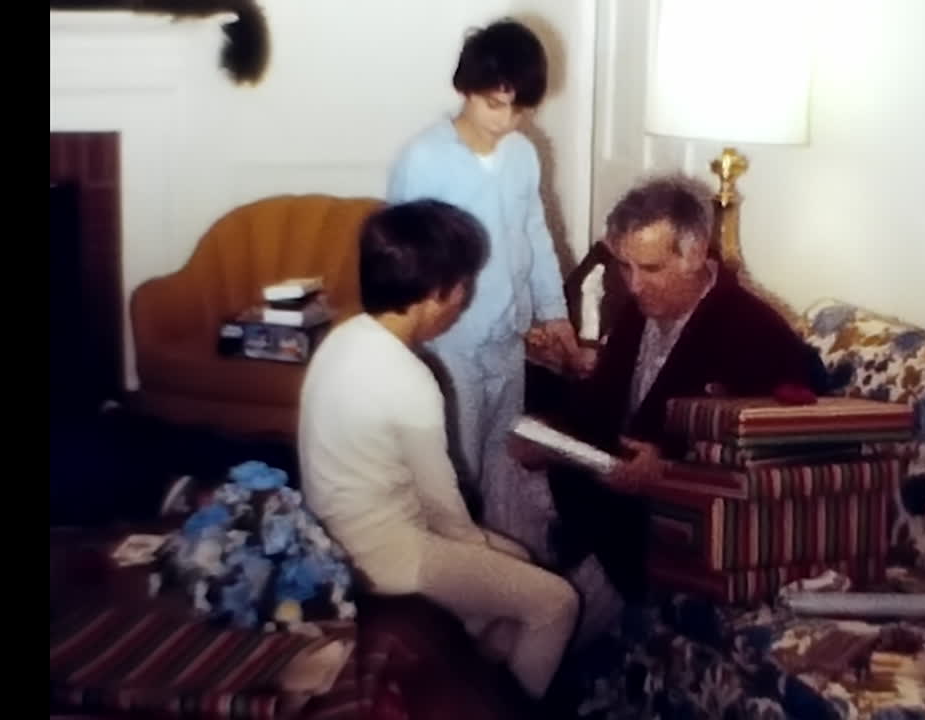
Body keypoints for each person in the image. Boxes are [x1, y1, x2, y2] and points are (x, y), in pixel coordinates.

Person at [514, 174, 828, 642]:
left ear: (698, 251)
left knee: (540, 618)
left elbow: (783, 452)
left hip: (672, 515)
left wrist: (672, 472)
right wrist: (553, 434)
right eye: (625, 267)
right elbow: (604, 400)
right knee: (511, 471)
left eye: (651, 268)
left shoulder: (753, 331)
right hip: (609, 486)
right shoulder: (644, 307)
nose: (635, 286)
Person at [297, 199, 579, 701]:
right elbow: (443, 507)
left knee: (514, 561)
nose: (462, 301)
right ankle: (507, 712)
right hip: (387, 556)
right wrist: (480, 551)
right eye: (463, 287)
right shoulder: (411, 380)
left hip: (334, 534)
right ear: (435, 294)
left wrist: (496, 557)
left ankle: (469, 688)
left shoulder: (340, 339)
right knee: (556, 602)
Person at [385, 18, 587, 543]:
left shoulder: (523, 154)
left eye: (519, 109)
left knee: (503, 465)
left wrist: (554, 312)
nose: (505, 120)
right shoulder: (424, 158)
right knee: (457, 469)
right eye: (493, 105)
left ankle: (503, 563)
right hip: (449, 345)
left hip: (507, 341)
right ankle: (453, 572)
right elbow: (402, 260)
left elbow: (535, 234)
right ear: (465, 89)